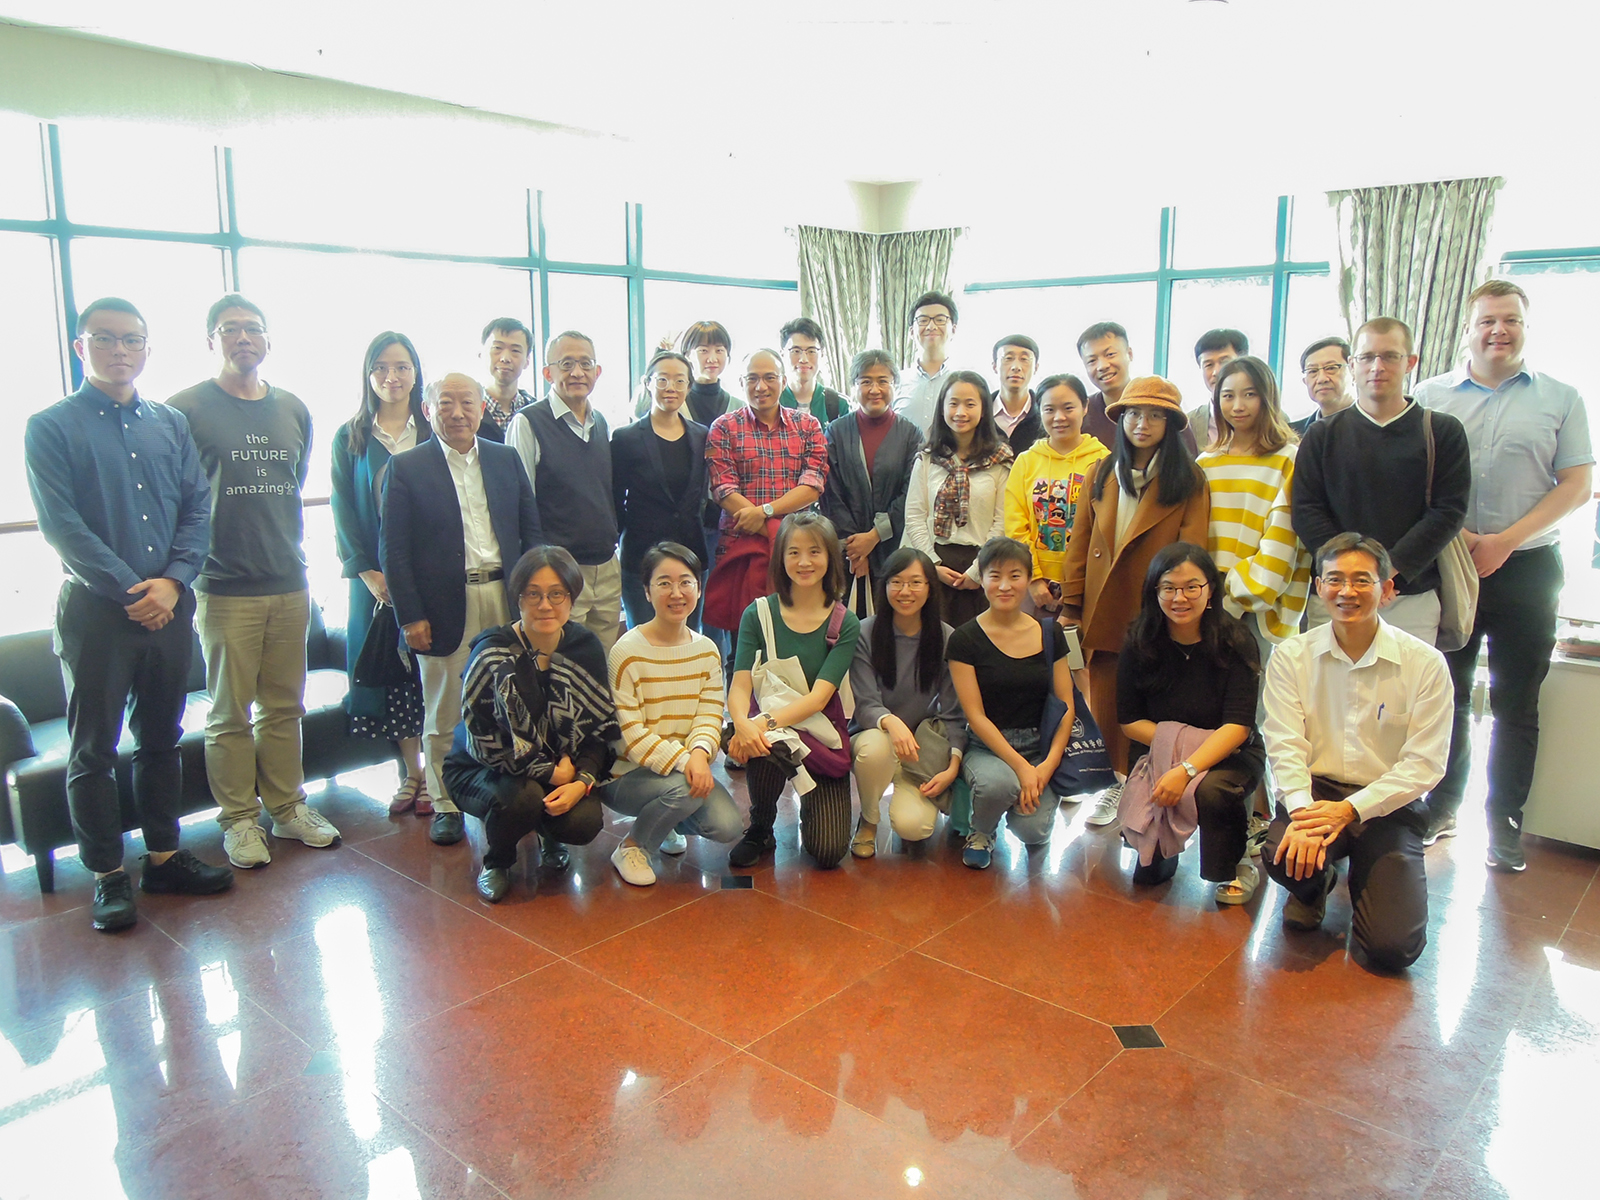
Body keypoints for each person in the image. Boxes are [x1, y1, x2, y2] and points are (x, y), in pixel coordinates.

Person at [24, 297, 233, 931]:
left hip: (170, 607)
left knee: (162, 738)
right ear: (79, 347)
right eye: (105, 339)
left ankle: (164, 857)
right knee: (93, 748)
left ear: (146, 348)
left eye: (132, 340)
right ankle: (107, 874)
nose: (120, 350)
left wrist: (172, 582)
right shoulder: (50, 426)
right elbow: (62, 526)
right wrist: (131, 591)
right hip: (95, 613)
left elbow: (198, 508)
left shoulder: (169, 424)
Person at [1415, 280, 1594, 869]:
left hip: (1529, 567)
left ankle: (1504, 823)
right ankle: (1442, 807)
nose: (1499, 330)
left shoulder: (1561, 397)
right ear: (1468, 329)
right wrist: (1464, 538)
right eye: (1488, 320)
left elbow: (1577, 484)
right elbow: (1416, 478)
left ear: (1525, 327)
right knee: (1448, 694)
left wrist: (1504, 541)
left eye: (1511, 319)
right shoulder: (1430, 395)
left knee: (1517, 701)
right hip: (1452, 562)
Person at [169, 294, 338, 869]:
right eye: (229, 328)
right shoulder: (185, 408)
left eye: (252, 328)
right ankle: (239, 821)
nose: (242, 337)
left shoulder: (292, 408)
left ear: (268, 340)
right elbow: (177, 495)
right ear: (210, 340)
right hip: (222, 585)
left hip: (289, 581)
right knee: (228, 714)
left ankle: (288, 808)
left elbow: (294, 481)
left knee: (285, 706)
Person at [1261, 534, 1451, 972]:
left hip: (1388, 802)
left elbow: (1424, 764)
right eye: (1335, 580)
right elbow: (1285, 745)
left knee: (1392, 949)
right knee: (1281, 854)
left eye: (1362, 580)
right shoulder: (1291, 656)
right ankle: (1315, 886)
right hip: (1317, 790)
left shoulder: (1424, 664)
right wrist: (1303, 815)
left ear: (1387, 589)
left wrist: (1349, 811)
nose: (1347, 591)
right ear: (1319, 587)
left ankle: (1366, 873)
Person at [381, 372, 543, 848]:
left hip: (505, 596)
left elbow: (531, 531)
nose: (457, 413)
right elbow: (394, 551)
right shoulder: (406, 467)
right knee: (443, 708)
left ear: (481, 407)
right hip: (441, 605)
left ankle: (516, 792)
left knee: (517, 697)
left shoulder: (504, 458)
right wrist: (410, 615)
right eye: (445, 403)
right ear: (427, 409)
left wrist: (536, 596)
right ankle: (446, 802)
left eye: (467, 402)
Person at [1060, 376, 1210, 824]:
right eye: (1133, 414)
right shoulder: (1102, 472)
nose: (1142, 424)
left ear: (1171, 423)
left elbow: (1192, 551)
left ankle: (1150, 784)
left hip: (1158, 608)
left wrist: (1183, 608)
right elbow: (1079, 542)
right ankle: (1113, 782)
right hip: (1103, 607)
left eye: (1155, 415)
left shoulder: (1188, 478)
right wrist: (1071, 603)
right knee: (1107, 701)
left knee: (1156, 702)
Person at [442, 546, 615, 903]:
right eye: (533, 594)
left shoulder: (584, 647)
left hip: (562, 770)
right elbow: (482, 742)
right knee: (523, 799)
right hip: (481, 768)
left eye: (556, 594)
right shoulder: (491, 653)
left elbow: (599, 731)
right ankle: (498, 861)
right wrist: (550, 772)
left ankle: (548, 833)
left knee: (583, 823)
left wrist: (581, 781)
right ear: (517, 598)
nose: (545, 605)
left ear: (572, 597)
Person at [1291, 317, 1470, 645]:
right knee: (1328, 678)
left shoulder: (1442, 431)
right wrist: (1354, 576)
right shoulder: (1321, 435)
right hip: (1335, 593)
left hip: (1410, 594)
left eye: (1390, 356)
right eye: (1367, 357)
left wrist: (1385, 572)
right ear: (1352, 364)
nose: (1377, 367)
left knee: (1409, 679)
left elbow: (1448, 512)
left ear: (1410, 362)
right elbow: (1306, 510)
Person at [1116, 543, 1265, 904]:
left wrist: (1186, 769)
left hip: (1229, 753)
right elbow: (1129, 721)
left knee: (1211, 791)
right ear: (1154, 591)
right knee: (1148, 877)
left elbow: (1238, 727)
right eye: (1168, 587)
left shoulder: (1235, 640)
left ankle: (1238, 861)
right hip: (1158, 751)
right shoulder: (1140, 641)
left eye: (1191, 587)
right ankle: (1164, 845)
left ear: (1210, 589)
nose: (1179, 598)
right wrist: (1176, 750)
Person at [725, 512, 861, 869]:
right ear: (781, 558)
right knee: (765, 743)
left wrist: (761, 722)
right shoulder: (758, 614)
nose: (804, 562)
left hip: (819, 729)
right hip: (770, 733)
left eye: (814, 551)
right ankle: (761, 824)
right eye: (794, 552)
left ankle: (811, 811)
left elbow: (819, 698)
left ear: (830, 556)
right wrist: (742, 723)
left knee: (829, 851)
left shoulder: (844, 621)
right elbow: (740, 684)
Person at [329, 331, 430, 815]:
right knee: (393, 679)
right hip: (377, 585)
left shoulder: (431, 428)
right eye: (381, 367)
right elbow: (343, 512)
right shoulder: (351, 436)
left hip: (432, 577)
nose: (392, 376)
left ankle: (442, 774)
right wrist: (369, 574)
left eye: (402, 366)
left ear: (416, 372)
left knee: (436, 673)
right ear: (368, 375)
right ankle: (413, 773)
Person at [601, 542, 743, 885]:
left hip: (682, 769)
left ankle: (663, 822)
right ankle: (633, 846)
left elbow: (710, 715)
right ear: (646, 592)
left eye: (685, 582)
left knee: (727, 826)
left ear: (698, 588)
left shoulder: (706, 650)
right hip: (625, 775)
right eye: (664, 583)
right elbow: (631, 736)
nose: (676, 593)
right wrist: (687, 762)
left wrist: (699, 754)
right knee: (683, 789)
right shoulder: (626, 652)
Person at [947, 537, 1075, 869]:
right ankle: (982, 830)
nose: (1004, 586)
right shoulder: (964, 639)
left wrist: (1047, 766)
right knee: (998, 786)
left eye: (1015, 576)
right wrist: (1021, 768)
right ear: (982, 579)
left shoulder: (1050, 633)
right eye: (995, 575)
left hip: (1040, 746)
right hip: (988, 747)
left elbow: (1066, 706)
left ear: (1028, 579)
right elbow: (975, 716)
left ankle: (1016, 803)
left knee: (1032, 832)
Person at [506, 330, 622, 653]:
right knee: (559, 662)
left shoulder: (600, 422)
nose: (577, 372)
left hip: (606, 566)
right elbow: (520, 503)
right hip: (559, 572)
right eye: (566, 364)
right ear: (548, 373)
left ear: (597, 371)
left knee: (601, 660)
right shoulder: (528, 423)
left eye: (586, 364)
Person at [702, 349, 829, 641]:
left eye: (769, 378)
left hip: (797, 552)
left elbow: (812, 485)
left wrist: (765, 514)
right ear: (741, 382)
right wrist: (774, 530)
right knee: (744, 644)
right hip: (741, 549)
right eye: (752, 379)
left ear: (783, 381)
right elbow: (723, 489)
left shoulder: (808, 426)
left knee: (798, 640)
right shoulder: (723, 427)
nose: (761, 386)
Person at [847, 548, 966, 856]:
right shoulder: (864, 632)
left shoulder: (946, 637)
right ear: (884, 585)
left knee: (914, 828)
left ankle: (908, 795)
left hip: (920, 750)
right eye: (896, 582)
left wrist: (953, 766)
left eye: (915, 582)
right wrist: (892, 723)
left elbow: (954, 713)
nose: (905, 591)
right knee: (876, 748)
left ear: (930, 588)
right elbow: (865, 703)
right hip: (875, 736)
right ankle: (868, 820)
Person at [1197, 355, 1311, 647]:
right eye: (1228, 396)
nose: (1238, 406)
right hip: (1205, 600)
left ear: (1267, 397)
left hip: (1261, 607)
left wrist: (1236, 597)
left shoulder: (1288, 459)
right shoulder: (1206, 462)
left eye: (1249, 395)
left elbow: (1283, 540)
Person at [903, 371, 1014, 628]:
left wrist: (978, 570)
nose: (960, 412)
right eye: (953, 403)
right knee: (934, 642)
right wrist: (932, 565)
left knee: (979, 643)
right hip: (935, 563)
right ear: (942, 408)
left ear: (983, 410)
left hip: (984, 566)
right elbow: (915, 515)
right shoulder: (928, 457)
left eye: (970, 404)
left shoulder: (1001, 460)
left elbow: (1002, 521)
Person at [611, 350, 710, 629]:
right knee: (644, 636)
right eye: (663, 379)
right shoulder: (626, 438)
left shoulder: (701, 435)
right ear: (648, 383)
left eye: (679, 381)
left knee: (688, 636)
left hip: (690, 553)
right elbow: (616, 499)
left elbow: (702, 495)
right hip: (641, 556)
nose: (671, 388)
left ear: (689, 386)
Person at [820, 349, 924, 612]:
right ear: (853, 386)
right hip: (847, 552)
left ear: (894, 385)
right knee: (847, 623)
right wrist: (855, 547)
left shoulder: (911, 435)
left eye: (882, 381)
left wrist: (875, 536)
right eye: (866, 381)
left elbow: (911, 493)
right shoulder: (836, 432)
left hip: (894, 548)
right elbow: (831, 493)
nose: (874, 389)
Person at [1004, 374, 1110, 618]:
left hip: (1086, 584)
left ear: (1085, 407)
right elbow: (1015, 525)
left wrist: (1077, 582)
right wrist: (1033, 577)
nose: (1059, 417)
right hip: (1032, 586)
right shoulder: (1026, 462)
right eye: (1049, 409)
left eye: (1068, 408)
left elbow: (1104, 528)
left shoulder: (1103, 460)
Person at [1079, 321, 1199, 455]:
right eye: (1092, 361)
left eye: (1110, 354)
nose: (1102, 366)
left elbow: (1188, 459)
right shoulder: (1081, 412)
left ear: (1129, 354)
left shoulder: (1161, 403)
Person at [893, 291, 958, 434]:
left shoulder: (967, 381)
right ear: (911, 332)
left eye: (940, 319)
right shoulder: (895, 382)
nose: (931, 326)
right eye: (923, 320)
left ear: (953, 329)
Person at [476, 317, 537, 443]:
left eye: (515, 350)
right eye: (497, 348)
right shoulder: (468, 410)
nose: (505, 358)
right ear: (481, 354)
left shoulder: (537, 413)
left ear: (527, 361)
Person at [779, 317, 848, 424]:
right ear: (782, 354)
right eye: (796, 351)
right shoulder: (771, 403)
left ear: (822, 354)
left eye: (811, 351)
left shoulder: (840, 405)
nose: (803, 359)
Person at [1185, 328, 1249, 437]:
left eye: (1225, 362)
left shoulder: (1270, 419)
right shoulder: (1188, 425)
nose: (1216, 372)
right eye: (1209, 365)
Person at [1289, 336, 1354, 438]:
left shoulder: (1373, 427)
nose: (1321, 379)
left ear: (1354, 371)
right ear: (1305, 381)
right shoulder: (1290, 434)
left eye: (1331, 368)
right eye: (1313, 371)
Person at [992, 334, 1044, 454]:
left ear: (1036, 368)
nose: (1016, 367)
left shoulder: (1045, 414)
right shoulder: (980, 413)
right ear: (994, 366)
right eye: (1008, 358)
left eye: (1024, 359)